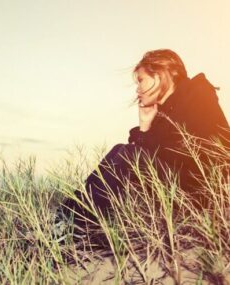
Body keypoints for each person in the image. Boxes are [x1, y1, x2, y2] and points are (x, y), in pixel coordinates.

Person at [58, 49, 230, 235]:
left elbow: (210, 154)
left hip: (206, 190)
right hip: (182, 184)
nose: (138, 89)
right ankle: (67, 215)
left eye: (141, 80)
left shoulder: (197, 95)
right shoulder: (167, 111)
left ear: (161, 74)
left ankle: (79, 222)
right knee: (121, 150)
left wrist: (146, 133)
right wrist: (145, 126)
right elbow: (151, 156)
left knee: (128, 155)